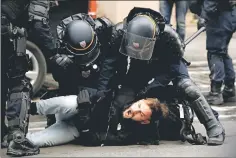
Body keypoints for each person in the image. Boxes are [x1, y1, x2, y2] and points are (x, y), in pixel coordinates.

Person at [84, 7, 225, 146]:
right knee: (120, 97)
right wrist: (102, 92)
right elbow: (110, 65)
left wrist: (152, 86)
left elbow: (173, 69)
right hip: (138, 65)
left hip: (167, 65)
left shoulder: (170, 37)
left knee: (187, 88)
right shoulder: (119, 32)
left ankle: (214, 126)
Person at [43, 13, 113, 127]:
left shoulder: (104, 30)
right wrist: (61, 65)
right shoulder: (59, 45)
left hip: (100, 72)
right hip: (75, 78)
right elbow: (59, 78)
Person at [25, 94, 166, 147]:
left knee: (33, 142)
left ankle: (12, 137)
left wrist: (85, 121)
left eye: (141, 114)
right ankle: (28, 107)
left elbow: (92, 139)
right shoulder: (125, 94)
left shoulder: (127, 135)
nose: (135, 110)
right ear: (140, 100)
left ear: (145, 121)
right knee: (70, 103)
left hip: (74, 129)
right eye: (139, 106)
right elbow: (98, 90)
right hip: (75, 108)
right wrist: (86, 100)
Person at [1, 0, 40, 156]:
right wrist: (54, 53)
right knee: (19, 84)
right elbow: (40, 23)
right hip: (5, 33)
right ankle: (17, 140)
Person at [190, 0, 236, 105]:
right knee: (221, 52)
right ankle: (229, 88)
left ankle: (216, 93)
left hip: (219, 17)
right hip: (228, 15)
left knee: (215, 52)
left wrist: (203, 16)